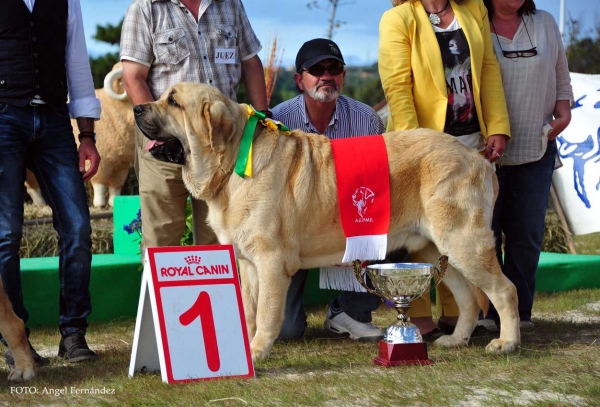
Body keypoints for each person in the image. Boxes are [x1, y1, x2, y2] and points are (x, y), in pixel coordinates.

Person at [378, 0, 511, 338]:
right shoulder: (398, 18)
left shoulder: (474, 8)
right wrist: (417, 148)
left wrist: (497, 125)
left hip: (470, 142)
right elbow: (397, 86)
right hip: (421, 152)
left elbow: (488, 68)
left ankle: (458, 316)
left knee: (460, 234)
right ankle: (417, 316)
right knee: (418, 236)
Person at [120, 0, 269, 255]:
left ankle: (218, 294)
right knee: (161, 239)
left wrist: (262, 117)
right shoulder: (145, 8)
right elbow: (133, 76)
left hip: (220, 143)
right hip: (165, 143)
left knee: (220, 236)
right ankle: (160, 296)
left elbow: (250, 62)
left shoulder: (230, 4)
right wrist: (157, 129)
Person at [0, 0, 101, 366]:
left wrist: (87, 134)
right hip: (4, 117)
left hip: (56, 119)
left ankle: (73, 334)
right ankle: (16, 342)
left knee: (77, 226)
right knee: (6, 234)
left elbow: (77, 62)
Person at [272, 38, 387, 341]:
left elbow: (378, 186)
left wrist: (346, 234)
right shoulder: (277, 121)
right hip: (294, 233)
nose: (326, 75)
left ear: (343, 76)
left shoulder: (367, 120)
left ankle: (348, 311)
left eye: (334, 68)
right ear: (299, 80)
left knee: (396, 227)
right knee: (286, 332)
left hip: (349, 224)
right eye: (316, 69)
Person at [479, 0, 572, 330]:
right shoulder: (474, 21)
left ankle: (521, 313)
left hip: (537, 144)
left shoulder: (545, 22)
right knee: (483, 235)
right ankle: (486, 314)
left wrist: (564, 110)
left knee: (526, 236)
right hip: (482, 150)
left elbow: (561, 73)